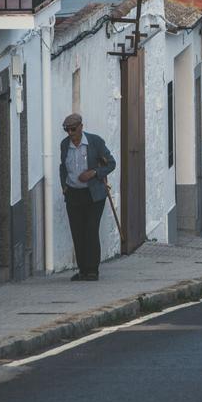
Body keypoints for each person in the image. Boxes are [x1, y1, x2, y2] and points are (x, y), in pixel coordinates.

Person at [59, 113, 116, 281]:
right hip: (73, 194)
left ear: (81, 127)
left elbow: (111, 163)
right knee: (77, 232)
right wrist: (64, 186)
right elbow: (62, 167)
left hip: (94, 195)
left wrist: (93, 173)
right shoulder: (64, 145)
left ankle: (93, 270)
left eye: (73, 129)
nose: (70, 133)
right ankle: (82, 269)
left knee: (91, 230)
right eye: (67, 130)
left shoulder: (94, 142)